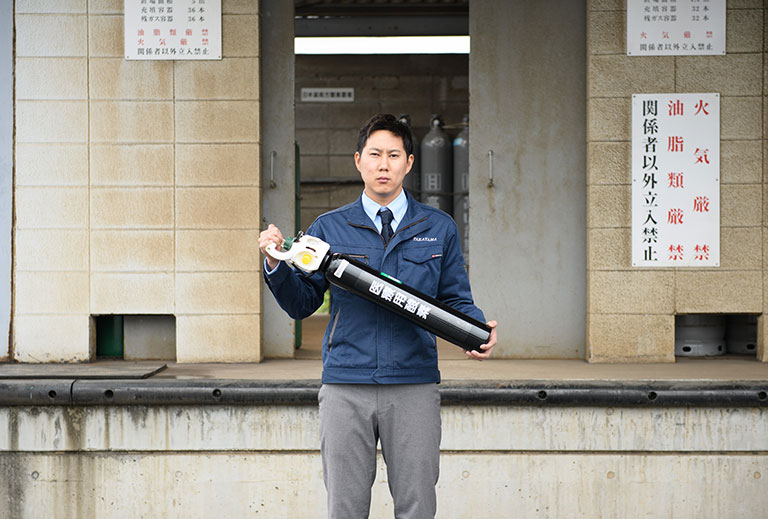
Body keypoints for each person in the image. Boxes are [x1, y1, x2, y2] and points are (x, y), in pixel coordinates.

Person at [259, 113, 497, 519]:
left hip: (414, 384)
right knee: (346, 508)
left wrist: (475, 330)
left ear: (409, 162)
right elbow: (302, 304)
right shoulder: (328, 228)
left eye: (393, 155)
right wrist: (276, 264)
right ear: (358, 161)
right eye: (374, 154)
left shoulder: (438, 227)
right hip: (345, 385)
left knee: (417, 505)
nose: (383, 164)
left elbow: (455, 297)